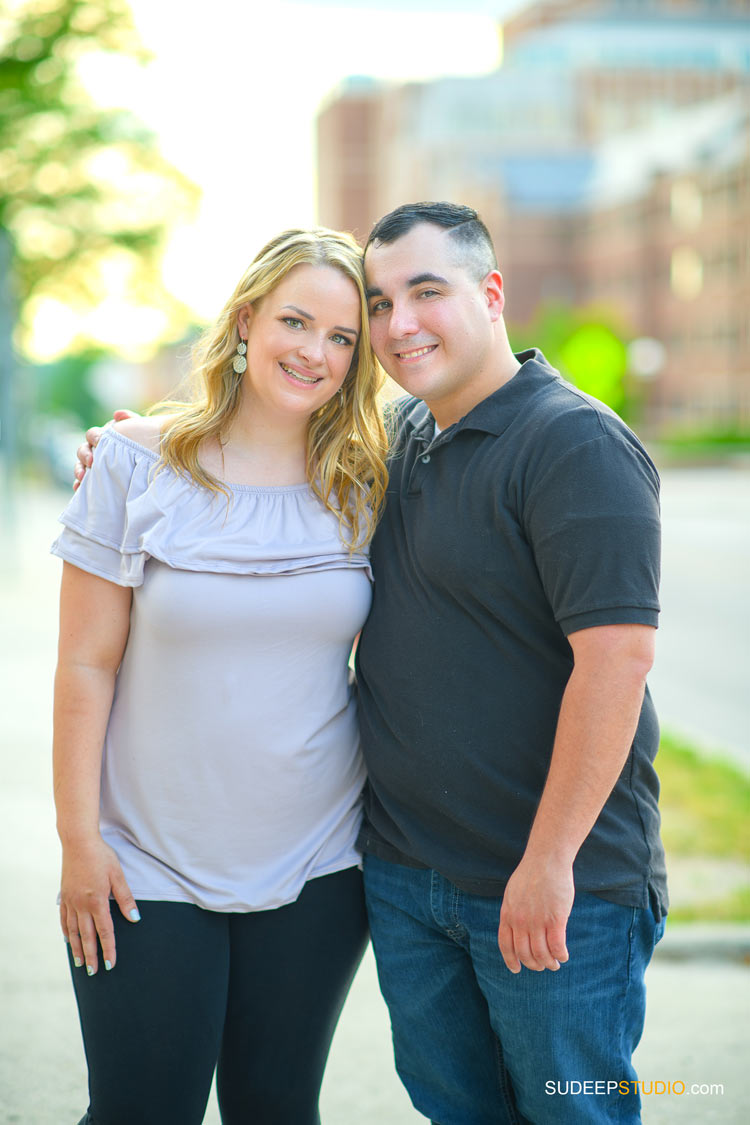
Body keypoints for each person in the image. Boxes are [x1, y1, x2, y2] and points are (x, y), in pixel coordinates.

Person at [76, 201, 667, 1125]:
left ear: (492, 293)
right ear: (247, 321)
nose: (397, 327)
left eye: (423, 294)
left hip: (547, 884)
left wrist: (551, 863)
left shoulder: (570, 442)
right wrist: (130, 448)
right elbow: (218, 482)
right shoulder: (392, 452)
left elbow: (620, 660)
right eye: (379, 306)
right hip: (405, 875)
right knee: (459, 1109)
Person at [52, 226, 388, 1125]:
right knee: (140, 1108)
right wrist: (80, 844)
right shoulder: (132, 464)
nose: (315, 351)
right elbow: (84, 664)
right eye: (295, 320)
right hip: (144, 861)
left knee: (276, 1108)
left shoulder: (368, 482)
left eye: (343, 336)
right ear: (246, 321)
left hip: (320, 861)